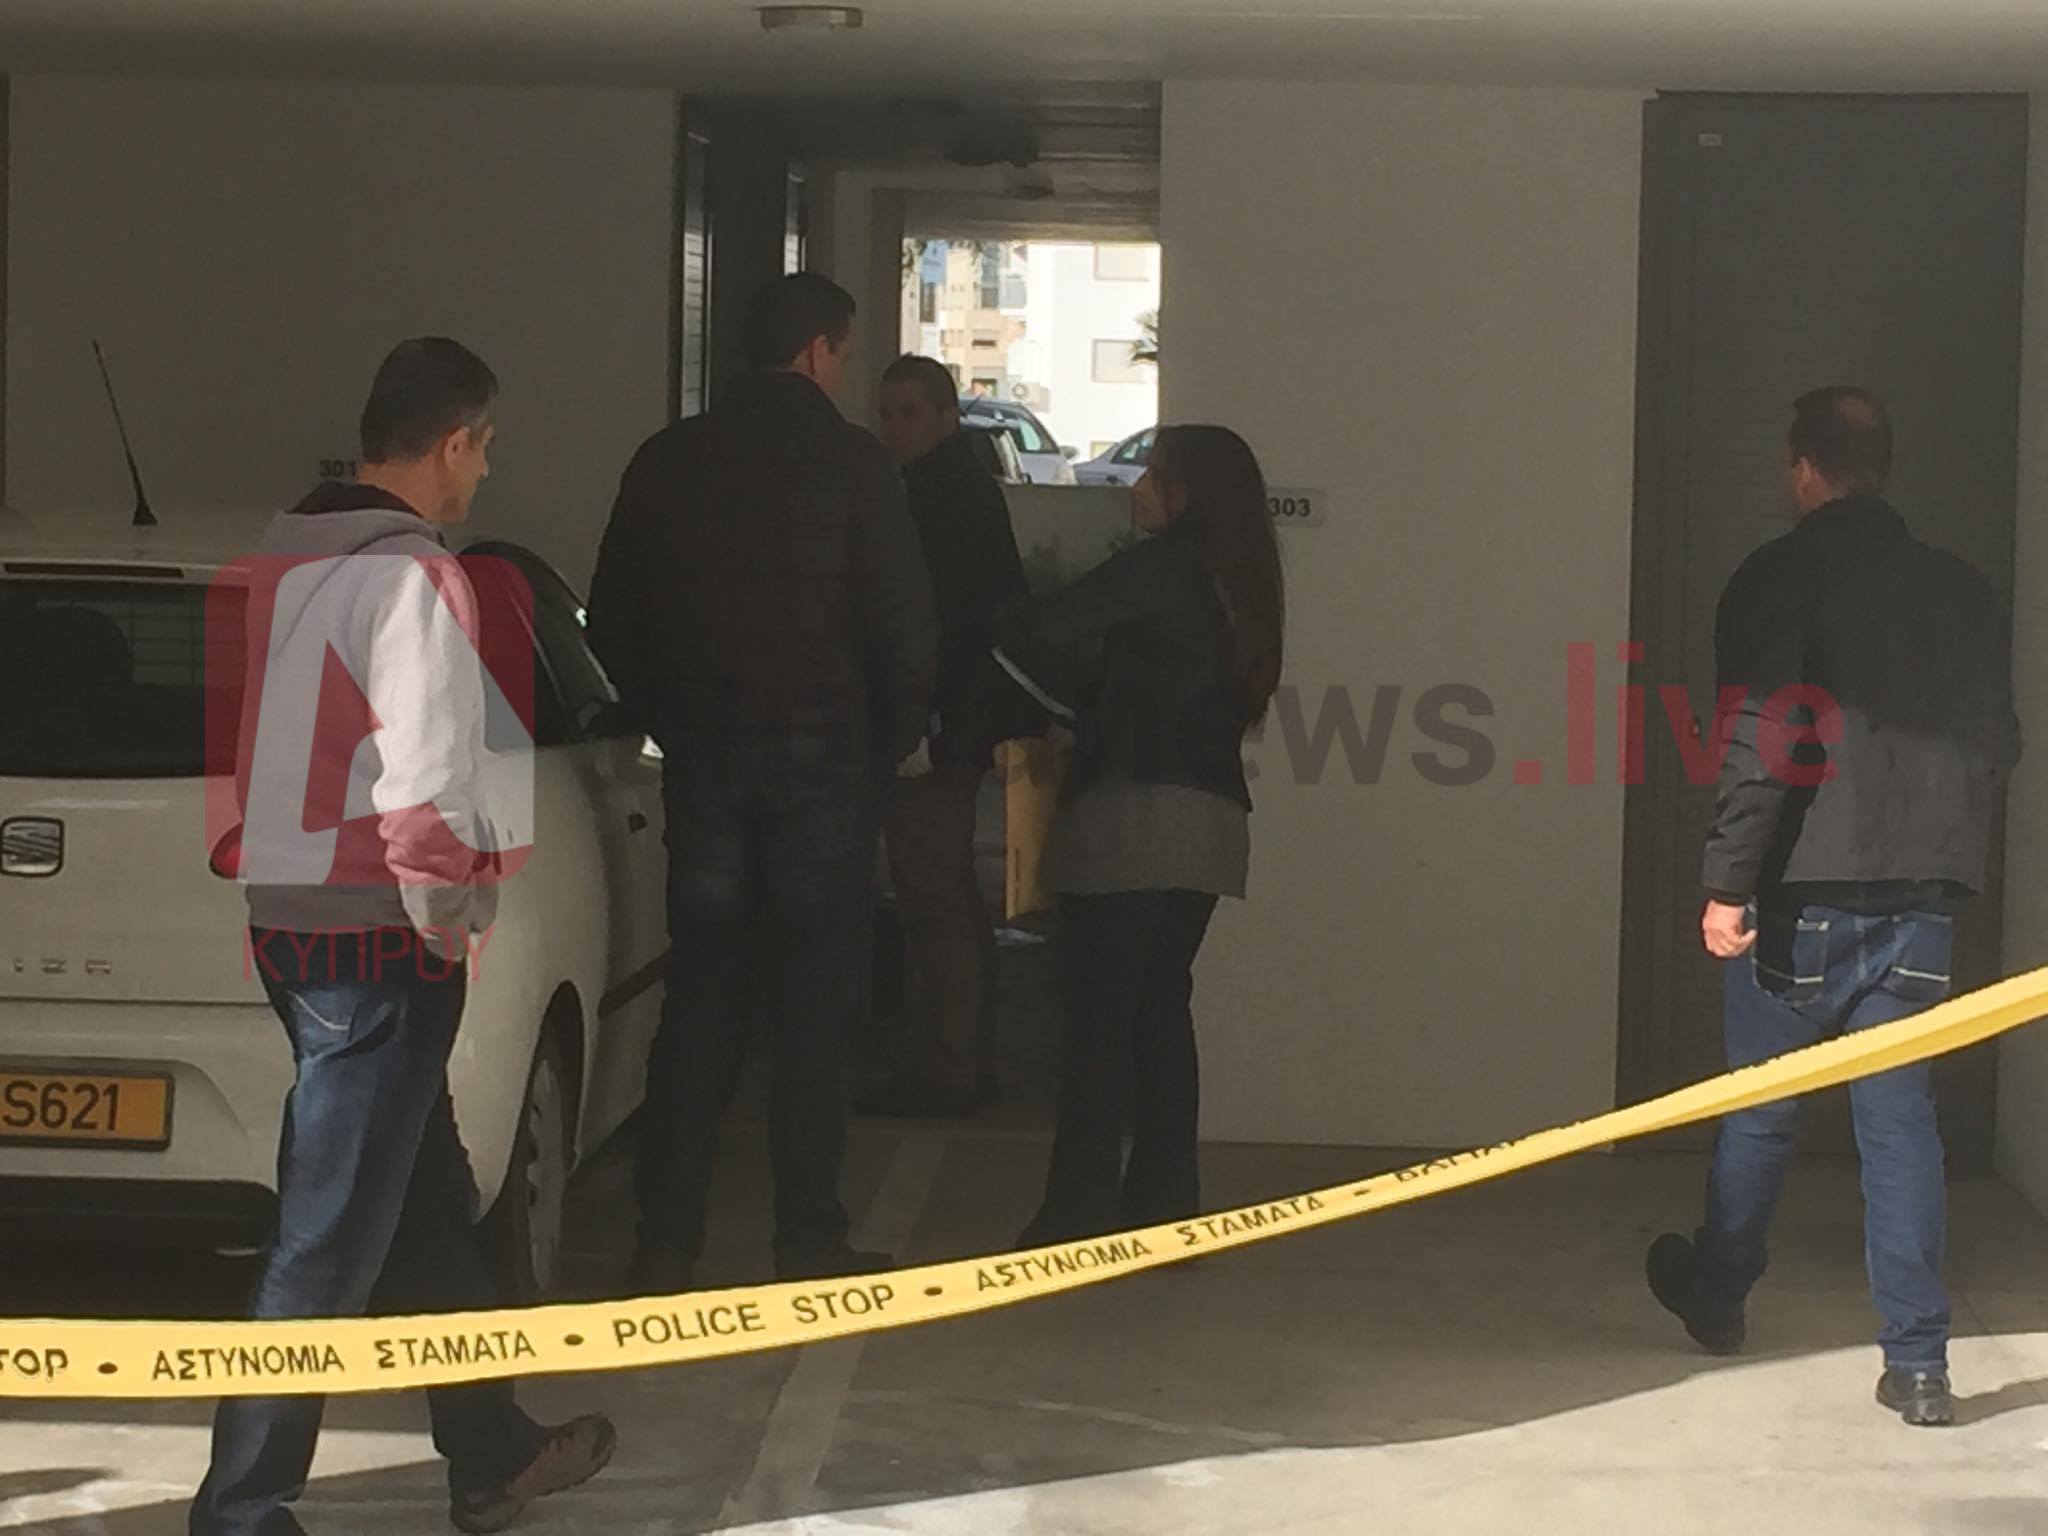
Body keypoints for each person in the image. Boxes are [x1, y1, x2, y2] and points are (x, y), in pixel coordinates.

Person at [193, 339, 614, 1536]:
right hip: (375, 942)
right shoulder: (417, 581)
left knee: (426, 1209)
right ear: (454, 441)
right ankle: (241, 1510)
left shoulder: (279, 558)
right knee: (325, 1244)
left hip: (292, 923)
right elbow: (424, 791)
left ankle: (490, 1450)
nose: (484, 472)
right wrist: (446, 927)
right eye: (485, 448)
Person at [1646, 387, 2021, 1427]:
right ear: (1881, 466)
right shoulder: (1960, 588)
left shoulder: (1778, 576)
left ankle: (1718, 1296)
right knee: (1899, 1129)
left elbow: (1761, 738)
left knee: (1761, 1108)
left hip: (1800, 897)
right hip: (1917, 899)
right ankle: (1919, 1366)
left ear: (1801, 467)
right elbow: (1996, 740)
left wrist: (1726, 882)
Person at [586, 275, 938, 1293]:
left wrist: (672, 715)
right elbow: (905, 627)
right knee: (812, 1009)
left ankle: (666, 1241)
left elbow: (612, 619)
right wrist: (884, 744)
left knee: (701, 999)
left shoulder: (667, 461)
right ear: (819, 350)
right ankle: (808, 1239)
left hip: (705, 759)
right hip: (825, 763)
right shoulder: (855, 465)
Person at [995, 425, 1285, 1246]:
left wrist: (1074, 699)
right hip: (1213, 823)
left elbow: (1040, 629)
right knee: (1162, 1011)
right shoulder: (1247, 578)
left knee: (1099, 1021)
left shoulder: (1158, 568)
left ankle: (1076, 1217)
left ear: (1192, 492)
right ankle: (1166, 1213)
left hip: (1131, 812)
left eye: (1156, 476)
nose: (1138, 488)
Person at [857, 354, 1029, 1119]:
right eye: (887, 415)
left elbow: (943, 624)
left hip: (934, 727)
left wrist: (923, 722)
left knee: (934, 895)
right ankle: (956, 1057)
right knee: (939, 893)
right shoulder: (957, 490)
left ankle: (951, 1065)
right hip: (948, 723)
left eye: (908, 414)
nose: (893, 428)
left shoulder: (938, 500)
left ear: (946, 418)